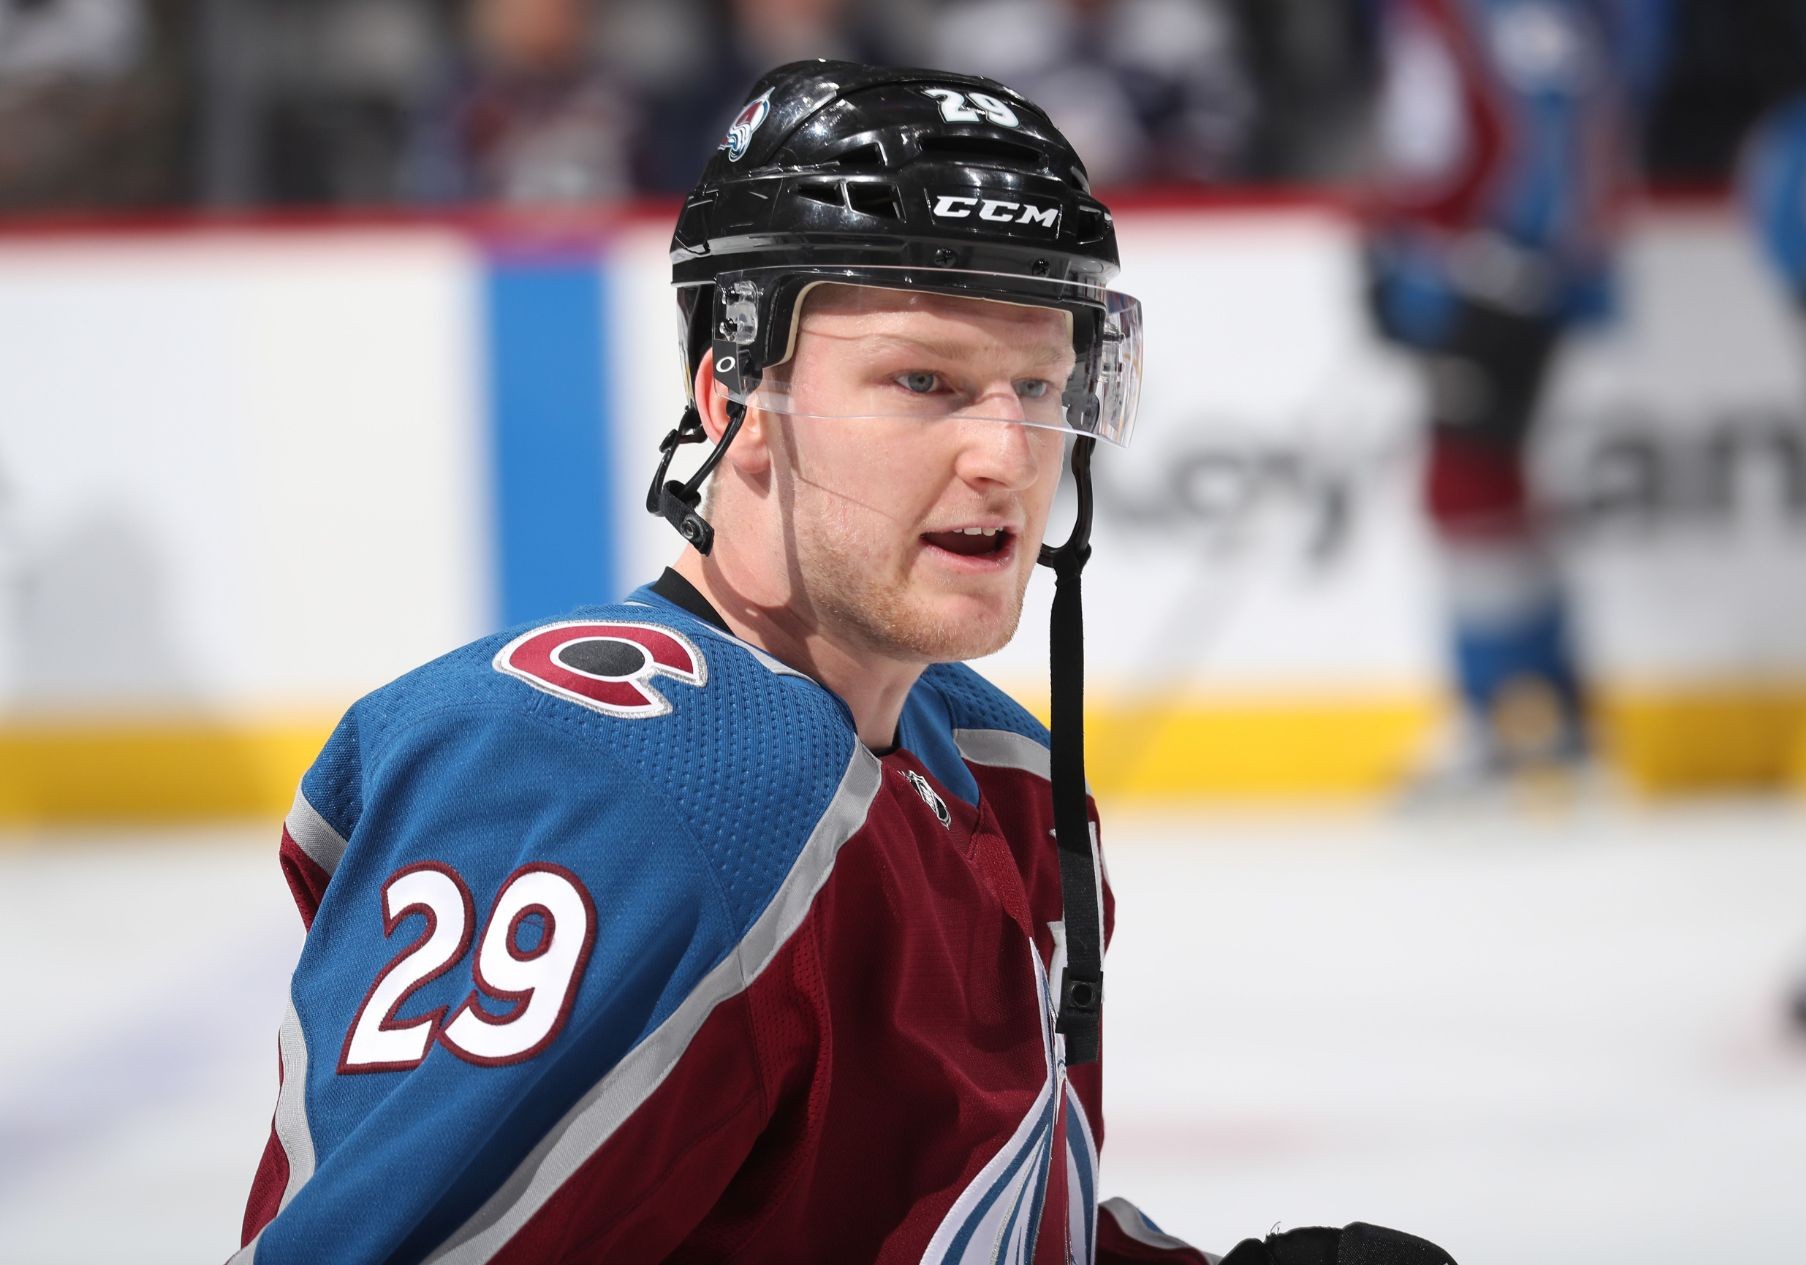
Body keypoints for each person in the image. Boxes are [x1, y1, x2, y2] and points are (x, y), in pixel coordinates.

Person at [234, 59, 1459, 1264]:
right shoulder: (620, 790)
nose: (1007, 455)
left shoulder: (997, 768)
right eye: (923, 380)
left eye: (1038, 384)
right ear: (732, 401)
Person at [1362, 0, 1666, 787]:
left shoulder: (1491, 11)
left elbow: (1543, 134)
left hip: (1493, 276)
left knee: (1466, 483)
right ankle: (1548, 714)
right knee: (1487, 483)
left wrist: (1493, 257)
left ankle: (1501, 714)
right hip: (1486, 270)